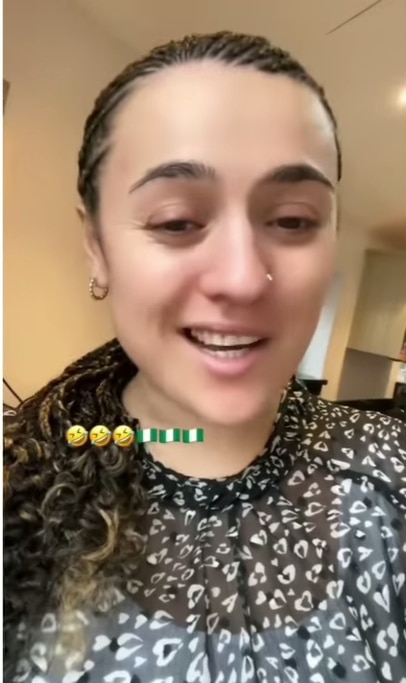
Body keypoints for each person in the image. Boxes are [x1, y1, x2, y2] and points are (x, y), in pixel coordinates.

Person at [4, 30, 406, 683]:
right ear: (97, 246)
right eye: (176, 221)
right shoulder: (22, 487)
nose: (243, 279)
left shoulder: (391, 475)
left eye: (293, 220)